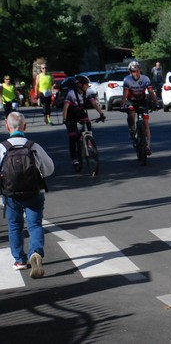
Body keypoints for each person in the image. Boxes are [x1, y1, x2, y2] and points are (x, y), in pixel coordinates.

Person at [1, 111, 54, 278]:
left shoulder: (2, 148)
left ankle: (19, 260)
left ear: (7, 126)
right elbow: (49, 169)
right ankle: (35, 252)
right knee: (35, 225)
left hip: (11, 196)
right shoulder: (33, 146)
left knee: (15, 226)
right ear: (24, 126)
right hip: (33, 193)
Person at [62, 75, 105, 170]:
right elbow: (65, 107)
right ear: (79, 85)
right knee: (73, 137)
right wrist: (65, 119)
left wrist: (101, 113)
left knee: (88, 124)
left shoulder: (87, 92)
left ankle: (89, 143)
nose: (87, 86)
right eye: (86, 85)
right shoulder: (71, 93)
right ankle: (74, 159)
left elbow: (94, 103)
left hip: (81, 113)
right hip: (71, 115)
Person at [120, 61, 160, 155]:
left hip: (142, 100)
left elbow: (151, 92)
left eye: (137, 71)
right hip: (131, 101)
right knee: (131, 113)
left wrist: (157, 103)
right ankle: (132, 129)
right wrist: (122, 105)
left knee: (146, 124)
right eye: (133, 71)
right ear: (130, 72)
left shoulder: (145, 79)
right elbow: (125, 94)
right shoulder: (127, 80)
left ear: (140, 70)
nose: (135, 73)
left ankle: (147, 147)